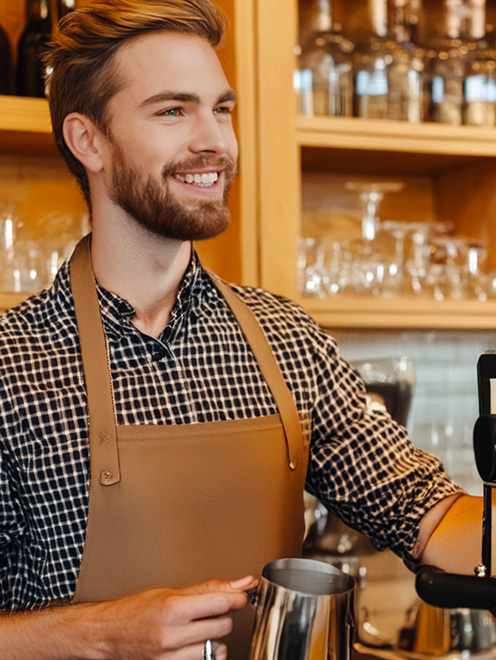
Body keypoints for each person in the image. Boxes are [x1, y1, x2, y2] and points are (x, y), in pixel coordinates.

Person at [0, 1, 485, 658]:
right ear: (88, 141)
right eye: (173, 111)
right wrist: (103, 634)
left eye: (221, 109)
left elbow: (427, 515)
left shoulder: (287, 340)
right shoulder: (12, 365)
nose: (216, 143)